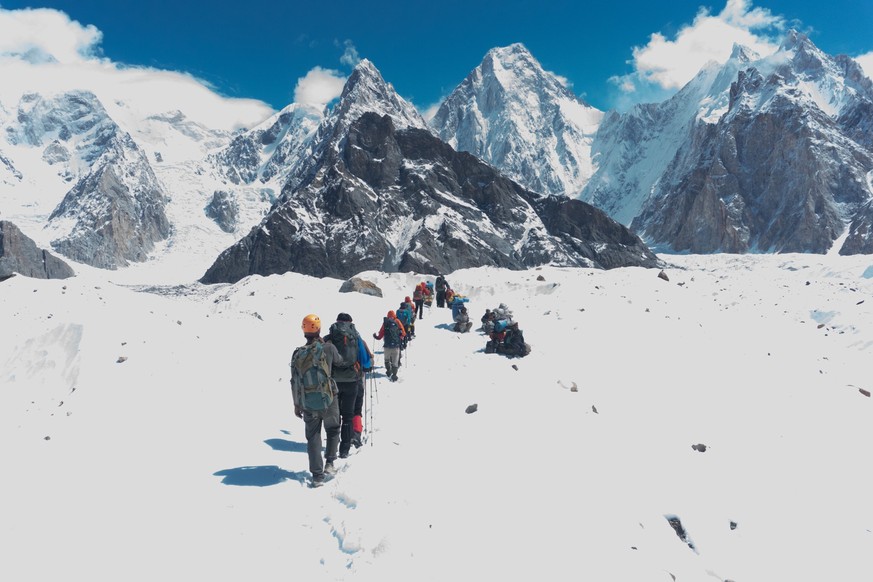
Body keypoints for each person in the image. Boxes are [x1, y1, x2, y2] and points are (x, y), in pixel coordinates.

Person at [290, 314, 343, 486]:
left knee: (313, 436)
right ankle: (329, 463)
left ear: (304, 330)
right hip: (329, 398)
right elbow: (340, 362)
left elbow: (294, 381)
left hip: (307, 401)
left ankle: (317, 476)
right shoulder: (328, 348)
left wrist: (296, 404)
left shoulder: (297, 353)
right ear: (319, 329)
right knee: (333, 428)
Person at [324, 313, 363, 459]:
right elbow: (365, 360)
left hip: (333, 382)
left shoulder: (329, 338)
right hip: (352, 381)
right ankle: (344, 449)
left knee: (335, 416)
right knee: (348, 415)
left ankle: (333, 445)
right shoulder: (356, 337)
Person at [353, 335, 374, 448]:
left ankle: (341, 438)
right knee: (356, 409)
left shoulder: (330, 338)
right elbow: (366, 363)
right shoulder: (358, 339)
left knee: (342, 410)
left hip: (336, 382)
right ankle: (355, 434)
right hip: (356, 379)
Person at [373, 310, 406, 381]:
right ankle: (394, 375)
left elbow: (381, 333)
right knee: (395, 361)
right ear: (394, 315)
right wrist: (400, 337)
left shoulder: (386, 322)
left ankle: (388, 371)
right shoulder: (397, 321)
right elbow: (403, 333)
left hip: (387, 346)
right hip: (396, 346)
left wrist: (376, 337)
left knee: (387, 360)